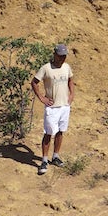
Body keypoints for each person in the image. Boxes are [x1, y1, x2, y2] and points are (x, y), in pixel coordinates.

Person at [31, 43, 75, 175]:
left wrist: (72, 94)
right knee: (48, 133)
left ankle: (55, 156)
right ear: (55, 54)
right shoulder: (46, 68)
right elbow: (34, 82)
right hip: (52, 108)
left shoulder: (66, 67)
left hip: (64, 106)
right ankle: (44, 160)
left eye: (64, 56)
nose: (62, 58)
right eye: (60, 56)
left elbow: (70, 80)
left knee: (61, 131)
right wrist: (41, 98)